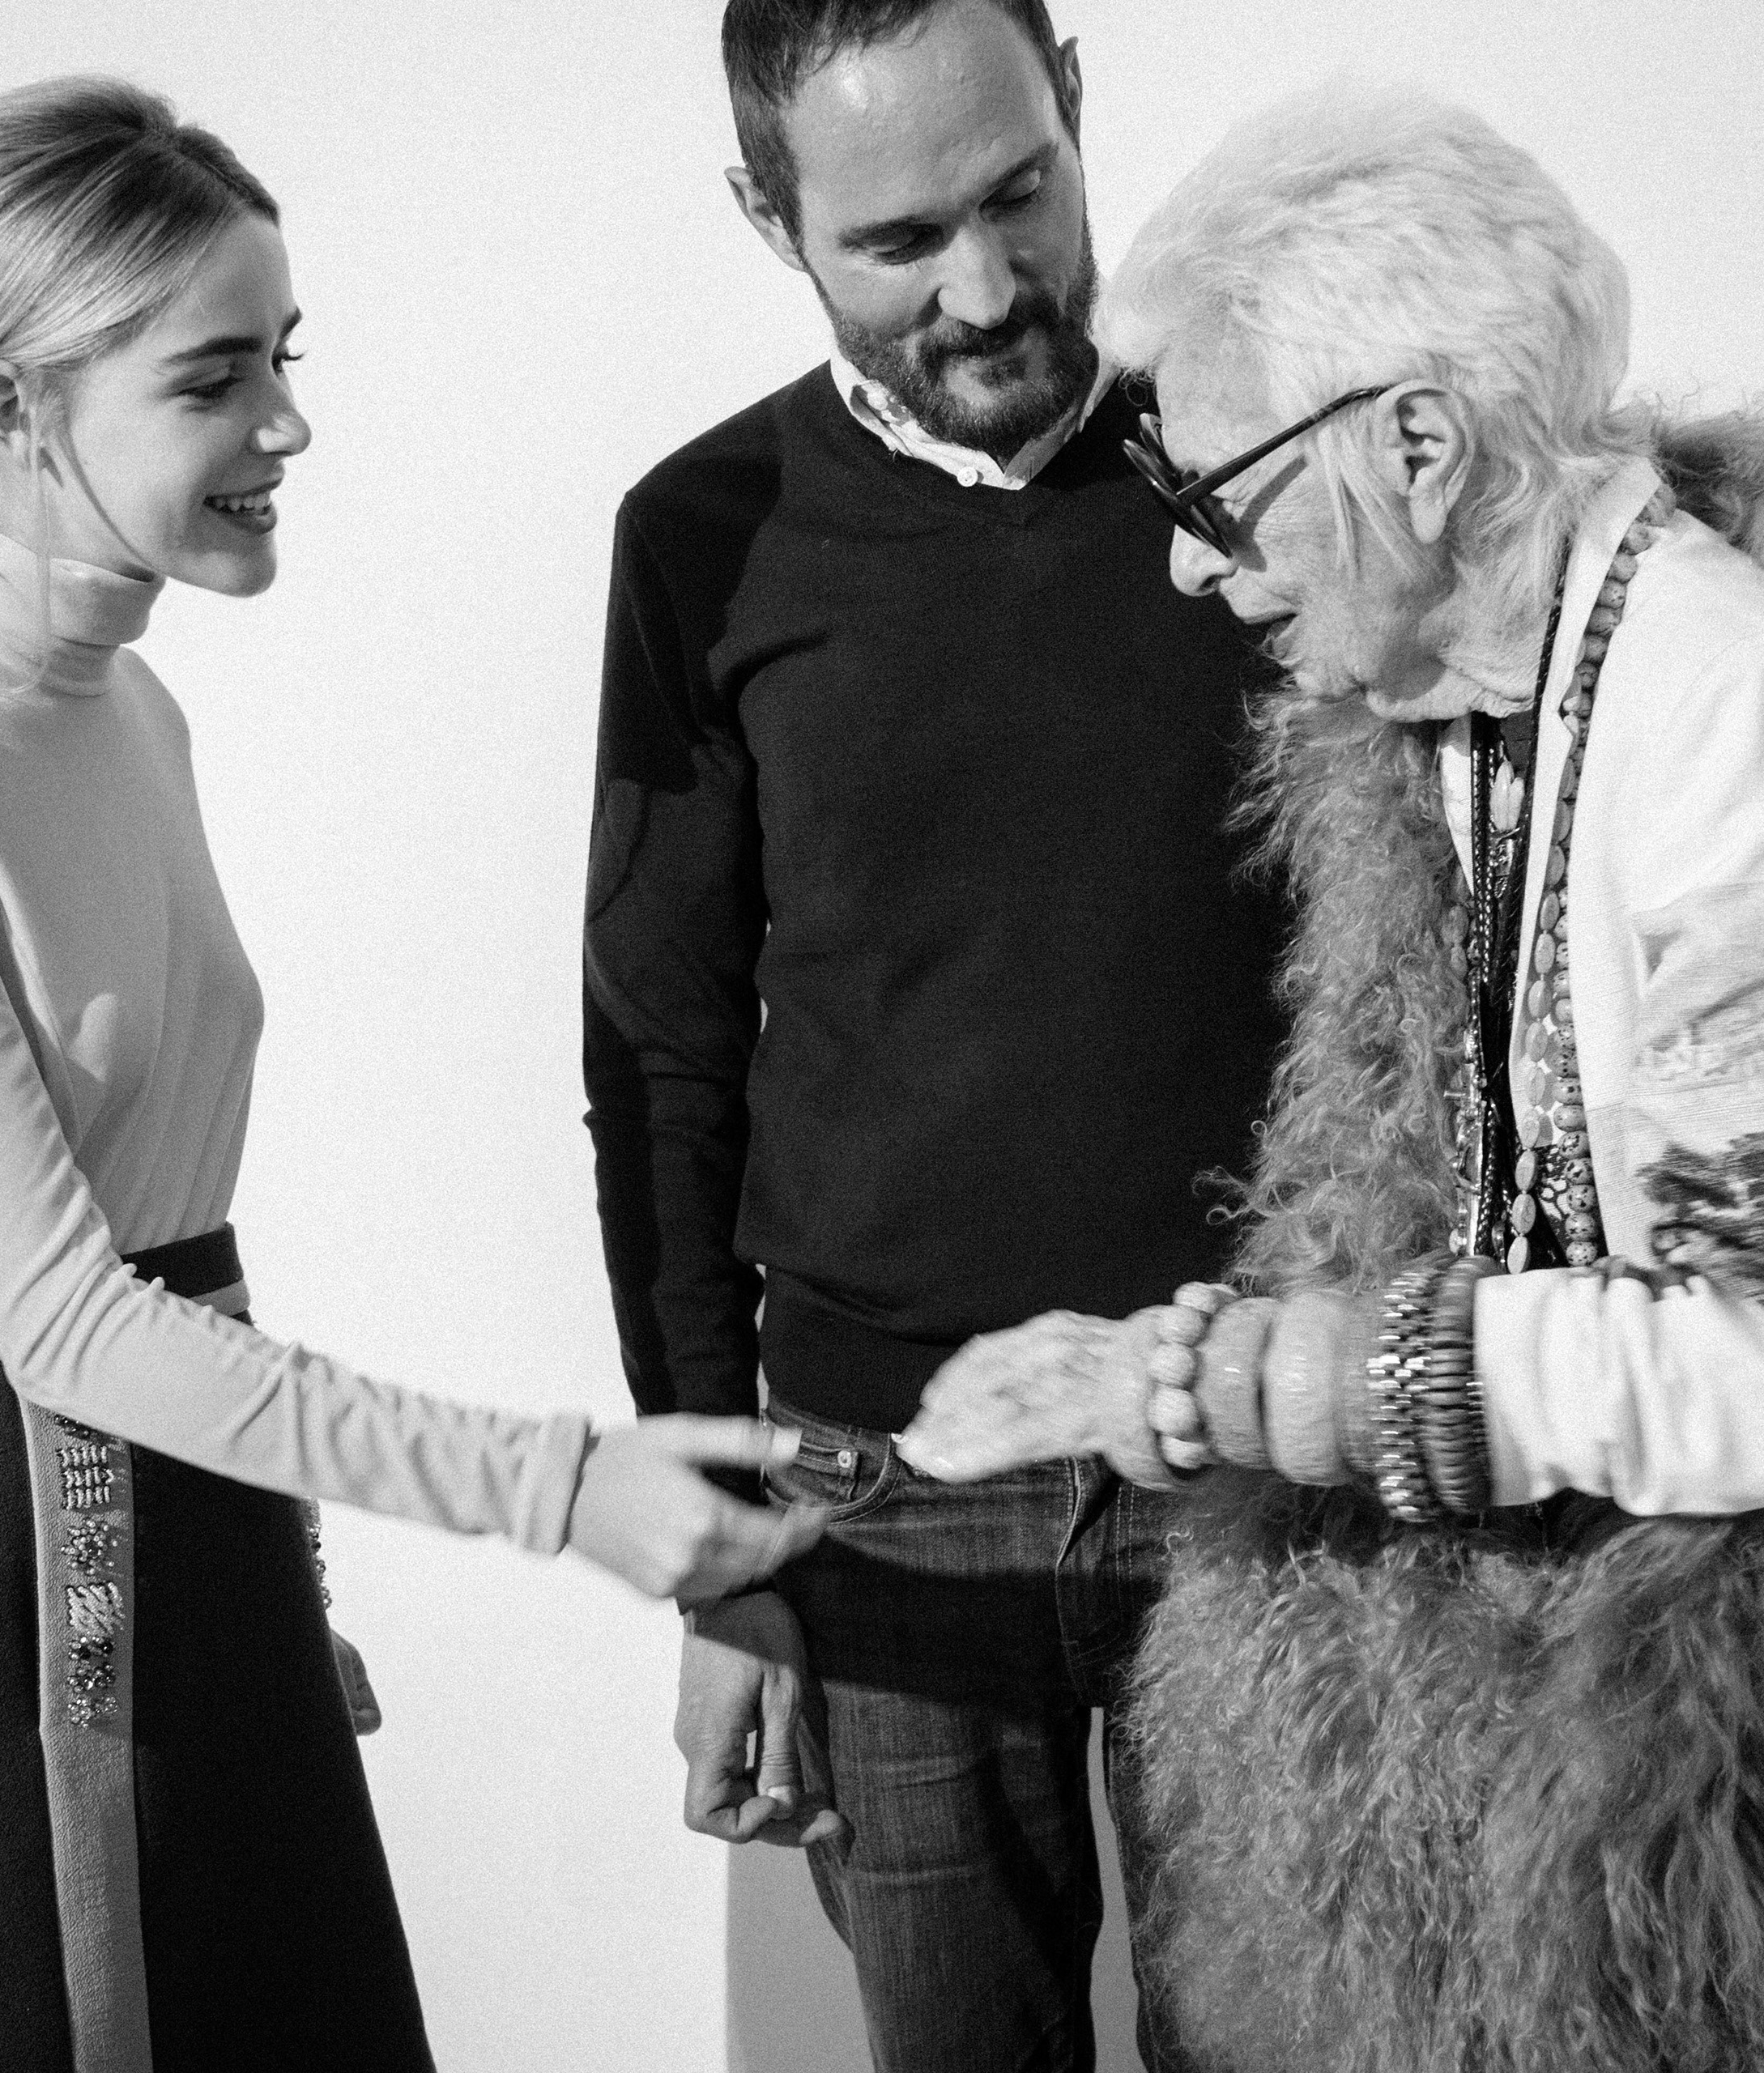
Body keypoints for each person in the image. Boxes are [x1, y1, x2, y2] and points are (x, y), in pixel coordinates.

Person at [901, 83, 1764, 2071]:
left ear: (1416, 440)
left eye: (1217, 496)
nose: (1195, 569)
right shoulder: (1458, 724)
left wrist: (1268, 1384)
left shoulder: (1725, 701)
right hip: (1650, 1792)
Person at [0, 76, 821, 2073]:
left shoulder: (130, 710)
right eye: (217, 378)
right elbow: (64, 1317)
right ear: (16, 407)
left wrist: (262, 1586)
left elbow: (176, 1252)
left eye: (281, 358)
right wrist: (562, 1482)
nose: (288, 424)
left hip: (196, 1535)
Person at [581, 2, 1286, 2062]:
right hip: (880, 1487)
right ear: (769, 216)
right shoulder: (702, 537)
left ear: (1076, 98)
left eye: (1020, 195)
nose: (986, 290)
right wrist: (721, 1554)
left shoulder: (1264, 460)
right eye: (898, 241)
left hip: (1254, 1443)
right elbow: (659, 1058)